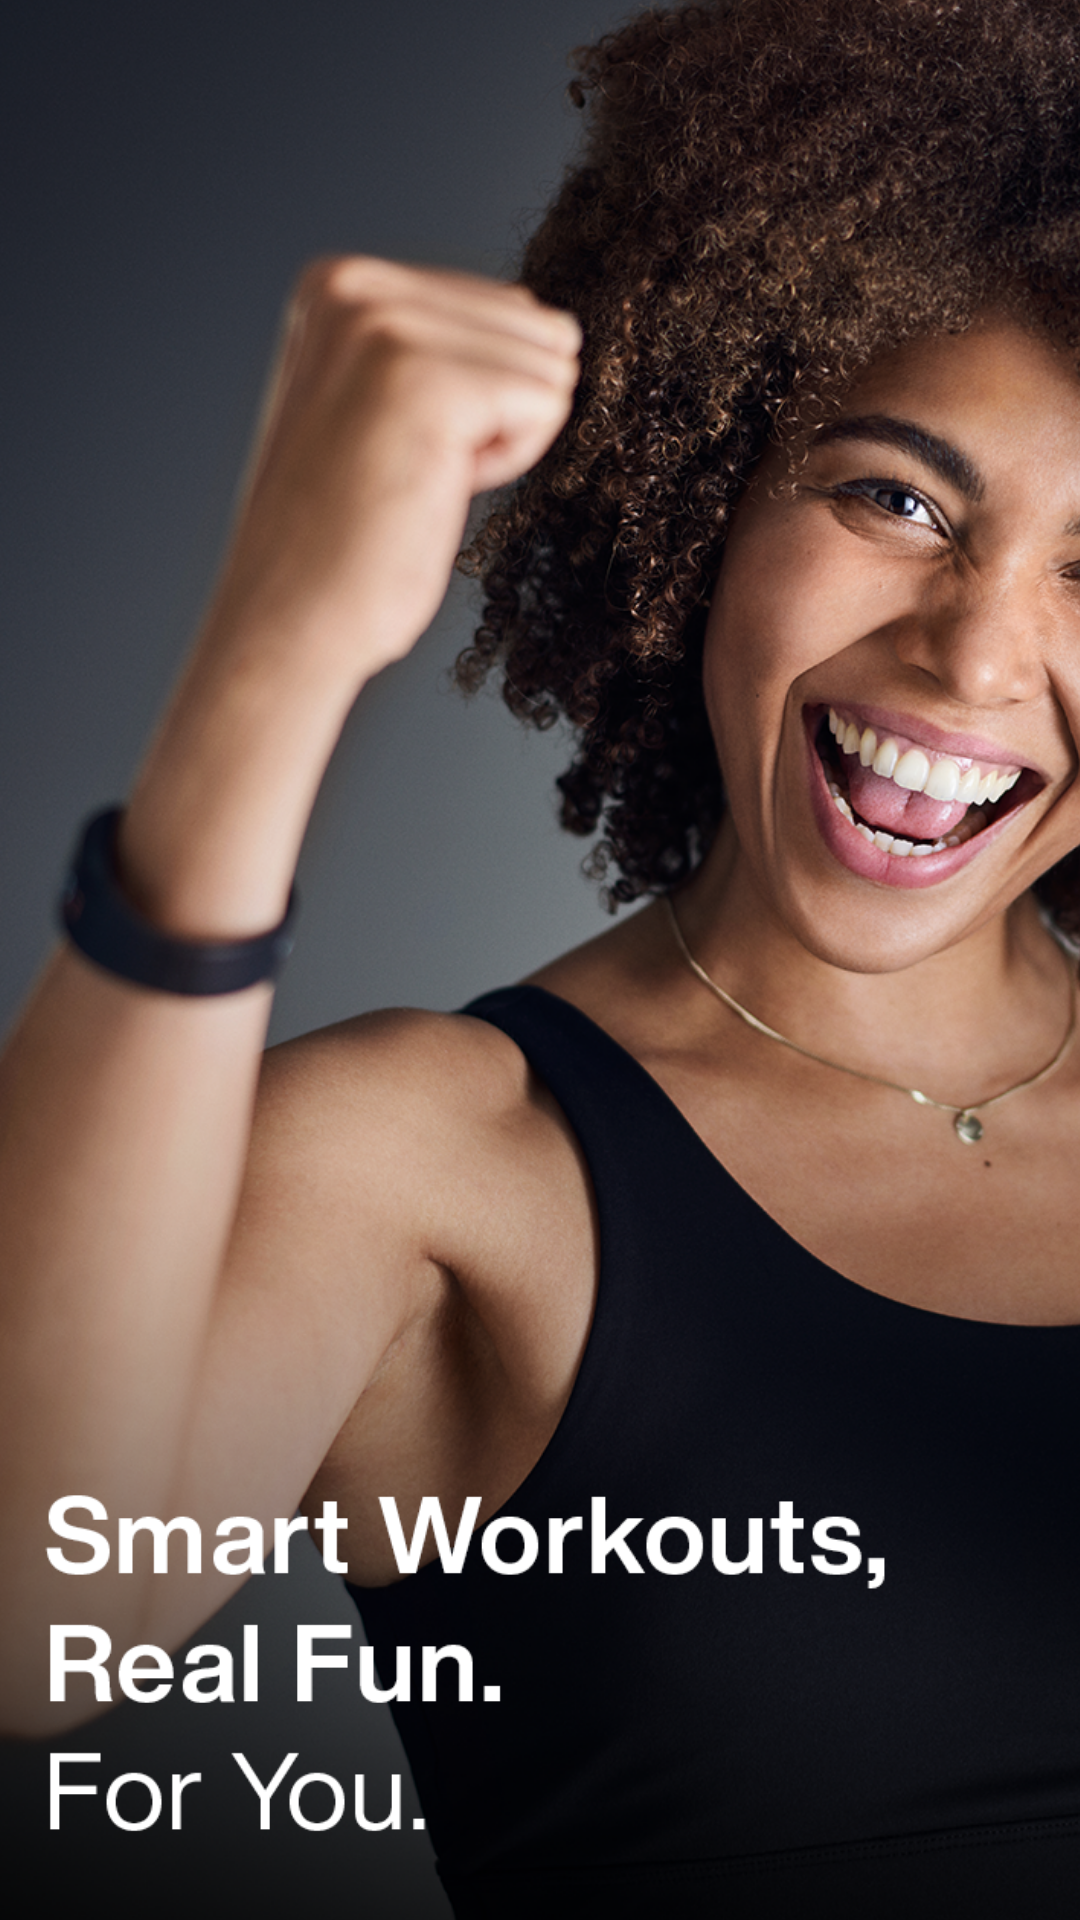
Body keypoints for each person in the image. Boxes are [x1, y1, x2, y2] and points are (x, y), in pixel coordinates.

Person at [3, 0, 1080, 1912]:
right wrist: (282, 636)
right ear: (706, 492)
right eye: (894, 497)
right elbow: (30, 1617)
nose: (978, 656)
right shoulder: (436, 1164)